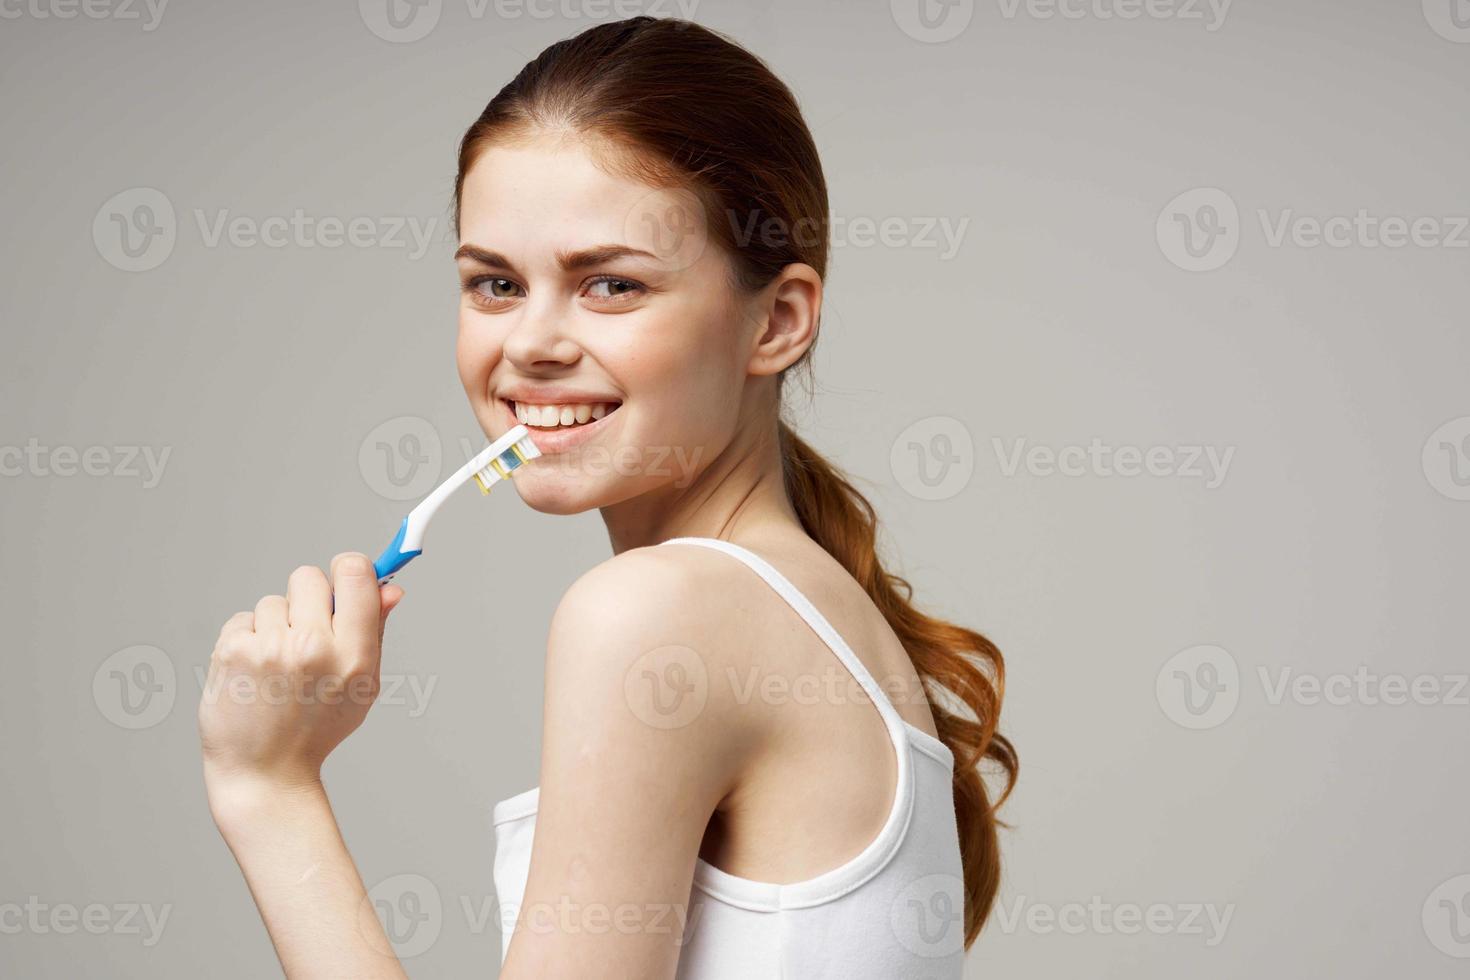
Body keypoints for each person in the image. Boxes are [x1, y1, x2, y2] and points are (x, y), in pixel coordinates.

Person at [197, 17, 1015, 978]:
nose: (533, 342)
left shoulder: (656, 612)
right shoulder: (807, 606)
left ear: (778, 321)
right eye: (495, 284)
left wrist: (268, 786)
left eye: (611, 285)